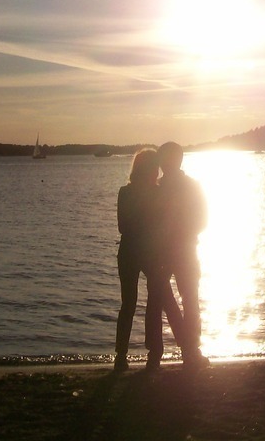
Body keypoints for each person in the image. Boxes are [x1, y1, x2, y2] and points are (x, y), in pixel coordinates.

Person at [114, 148, 183, 371]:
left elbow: (124, 226)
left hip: (132, 251)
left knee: (132, 303)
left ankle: (124, 356)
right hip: (149, 252)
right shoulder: (155, 192)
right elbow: (163, 225)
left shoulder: (126, 192)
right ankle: (156, 353)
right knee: (155, 301)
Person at [157, 141, 210, 369]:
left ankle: (190, 349)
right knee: (178, 299)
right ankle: (189, 347)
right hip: (172, 251)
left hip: (180, 249)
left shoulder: (179, 187)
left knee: (187, 299)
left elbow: (203, 219)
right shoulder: (158, 187)